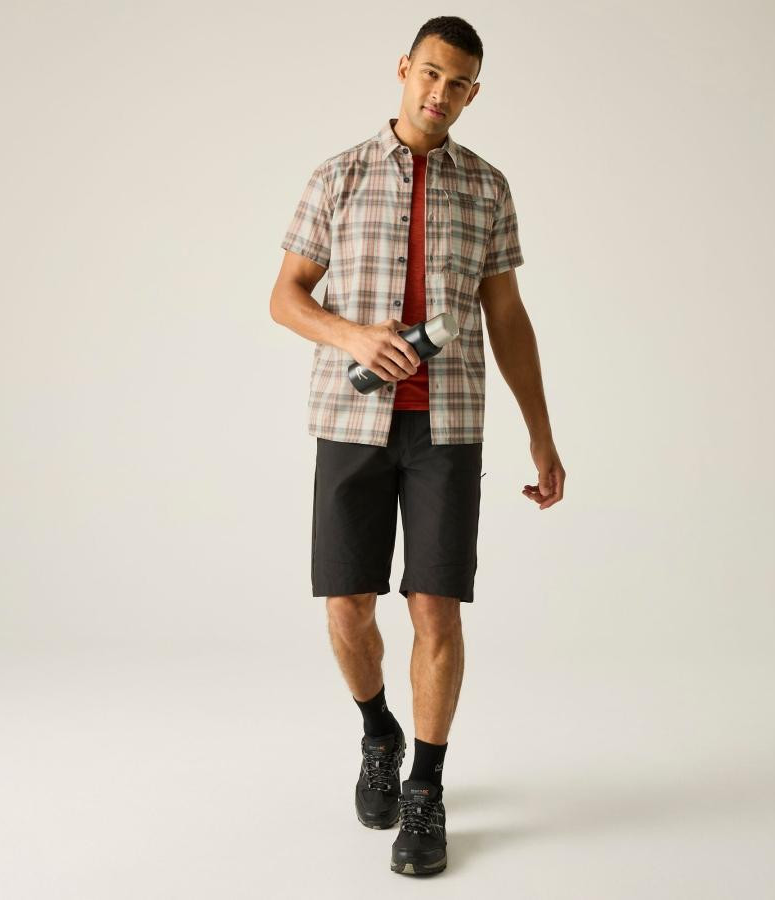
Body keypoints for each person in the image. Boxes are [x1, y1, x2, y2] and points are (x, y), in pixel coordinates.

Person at [269, 15, 565, 876]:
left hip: (448, 428)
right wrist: (353, 336)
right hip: (350, 421)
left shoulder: (487, 189)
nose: (441, 92)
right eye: (431, 73)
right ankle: (379, 733)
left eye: (459, 82)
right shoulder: (337, 176)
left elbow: (507, 316)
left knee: (435, 609)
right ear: (404, 69)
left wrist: (542, 435)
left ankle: (426, 790)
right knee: (346, 606)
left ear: (474, 93)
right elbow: (285, 297)